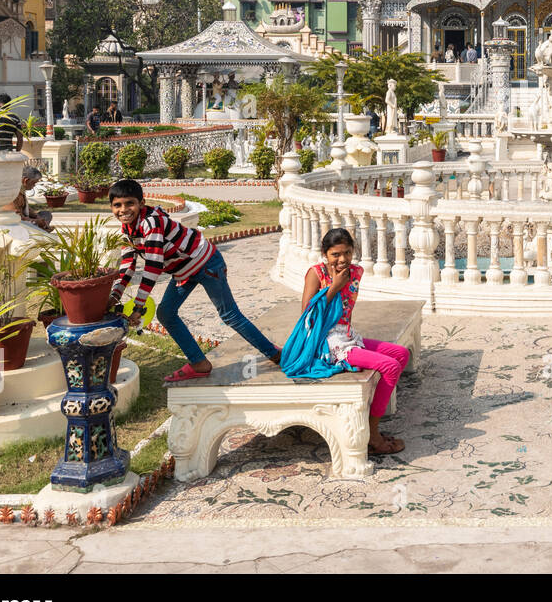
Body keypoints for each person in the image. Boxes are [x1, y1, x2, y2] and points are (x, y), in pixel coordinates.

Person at [107, 179, 282, 383]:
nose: (124, 209)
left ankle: (274, 354)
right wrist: (114, 296)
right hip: (184, 271)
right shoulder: (127, 230)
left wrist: (138, 306)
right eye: (117, 205)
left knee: (229, 315)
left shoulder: (151, 222)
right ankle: (199, 363)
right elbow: (127, 266)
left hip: (206, 263)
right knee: (166, 313)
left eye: (130, 203)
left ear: (142, 203)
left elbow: (153, 266)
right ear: (111, 207)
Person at [292, 228, 408, 455]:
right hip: (326, 343)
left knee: (401, 354)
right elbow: (307, 316)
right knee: (390, 366)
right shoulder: (316, 274)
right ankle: (373, 434)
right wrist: (334, 286)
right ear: (325, 254)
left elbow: (347, 309)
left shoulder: (356, 272)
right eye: (335, 254)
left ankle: (367, 419)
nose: (342, 259)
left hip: (347, 335)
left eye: (346, 252)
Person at [11, 166, 53, 231]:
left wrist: (37, 217)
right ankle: (42, 229)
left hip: (26, 219)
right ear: (25, 180)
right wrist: (36, 221)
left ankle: (43, 228)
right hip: (20, 223)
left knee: (46, 214)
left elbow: (27, 209)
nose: (34, 185)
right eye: (34, 183)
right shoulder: (13, 193)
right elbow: (18, 217)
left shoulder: (21, 190)